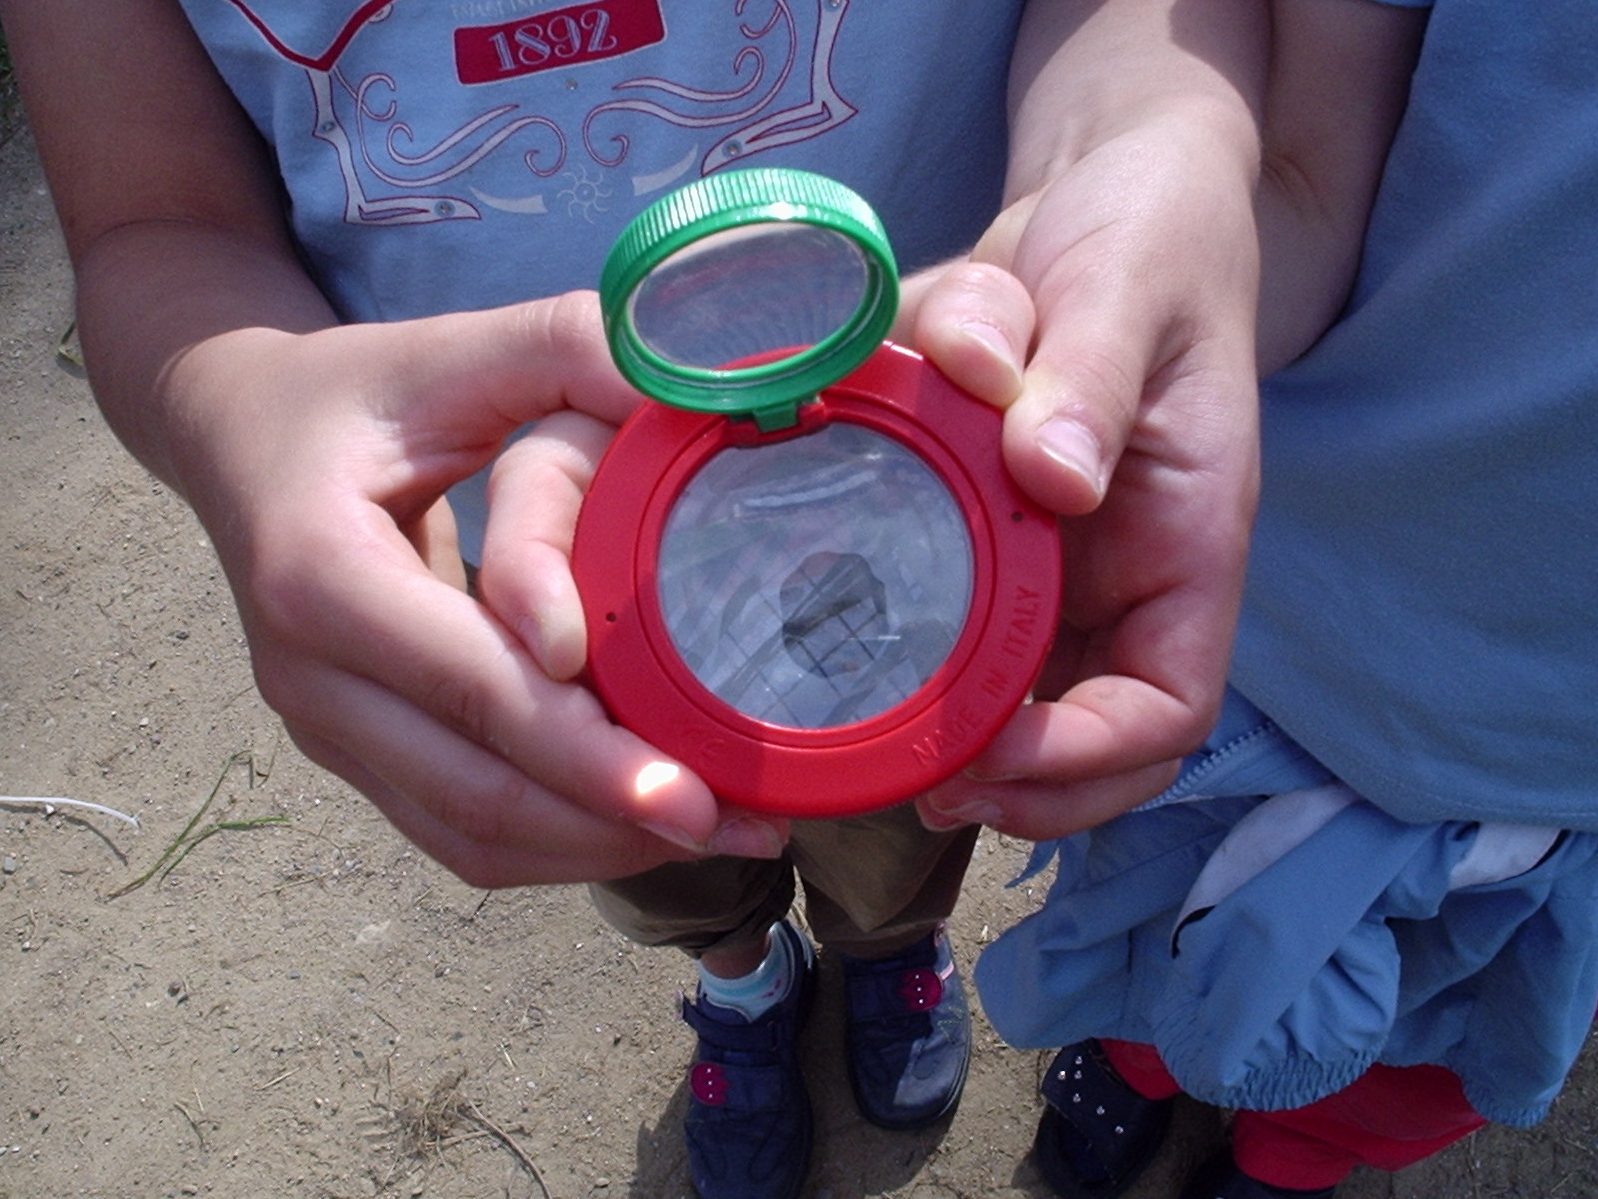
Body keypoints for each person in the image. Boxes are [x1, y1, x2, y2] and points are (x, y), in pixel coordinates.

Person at [0, 2, 1270, 1196]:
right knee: (666, 860)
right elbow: (152, 221)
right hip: (549, 596)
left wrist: (1158, 132)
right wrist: (235, 414)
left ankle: (886, 948)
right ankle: (739, 979)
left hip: (920, 544)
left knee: (904, 831)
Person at [914, 2, 1598, 1197]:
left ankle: (1291, 1159)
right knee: (1146, 943)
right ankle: (1131, 1065)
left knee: (1412, 1057)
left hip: (1557, 794)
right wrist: (1145, 233)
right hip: (1261, 635)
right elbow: (1294, 169)